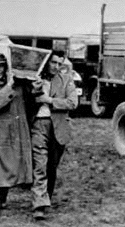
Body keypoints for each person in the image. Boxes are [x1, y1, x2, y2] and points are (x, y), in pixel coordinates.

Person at [0, 53, 33, 220]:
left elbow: (31, 97)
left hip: (13, 134)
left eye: (0, 67)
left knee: (8, 166)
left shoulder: (17, 83)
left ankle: (1, 200)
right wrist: (9, 86)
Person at [30, 50, 78, 220]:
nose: (56, 66)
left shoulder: (66, 80)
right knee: (40, 164)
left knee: (51, 166)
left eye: (60, 63)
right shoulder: (34, 79)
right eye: (53, 62)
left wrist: (49, 100)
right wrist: (34, 93)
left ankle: (45, 197)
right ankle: (39, 205)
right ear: (46, 62)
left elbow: (72, 103)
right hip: (38, 125)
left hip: (58, 127)